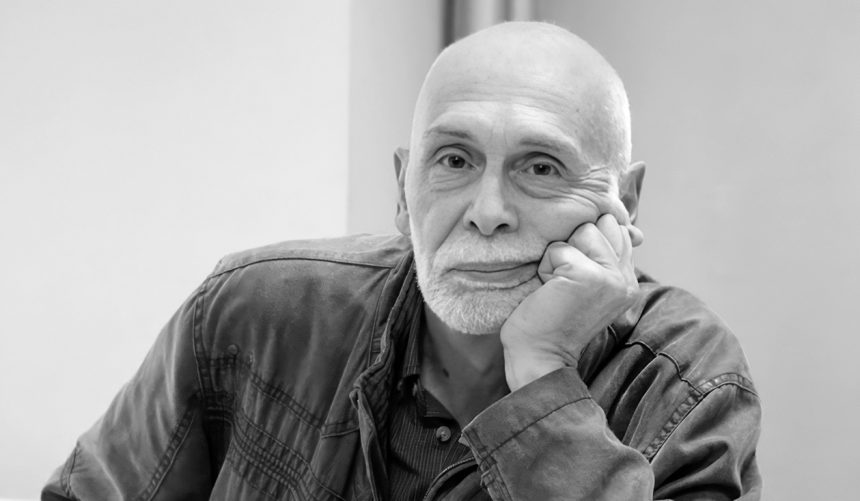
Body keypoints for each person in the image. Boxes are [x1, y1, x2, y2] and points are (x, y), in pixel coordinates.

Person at [42, 21, 761, 501]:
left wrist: (543, 372)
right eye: (454, 159)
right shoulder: (252, 314)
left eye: (541, 167)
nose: (487, 210)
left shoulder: (688, 382)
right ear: (402, 188)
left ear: (624, 202)